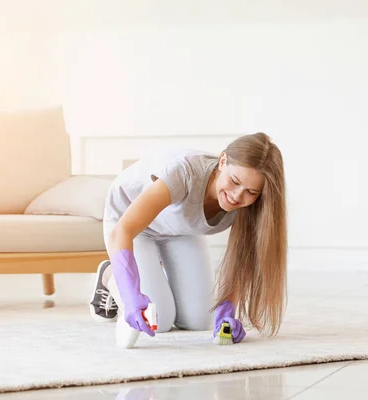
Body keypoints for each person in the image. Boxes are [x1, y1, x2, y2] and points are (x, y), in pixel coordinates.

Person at [88, 132, 288, 347]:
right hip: (131, 225)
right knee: (159, 319)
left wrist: (227, 308)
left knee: (200, 319)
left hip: (180, 228)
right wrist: (130, 294)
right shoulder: (184, 172)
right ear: (223, 161)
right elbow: (123, 231)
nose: (237, 196)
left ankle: (153, 277)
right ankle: (109, 274)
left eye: (250, 191)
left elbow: (242, 256)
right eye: (234, 181)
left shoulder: (254, 205)